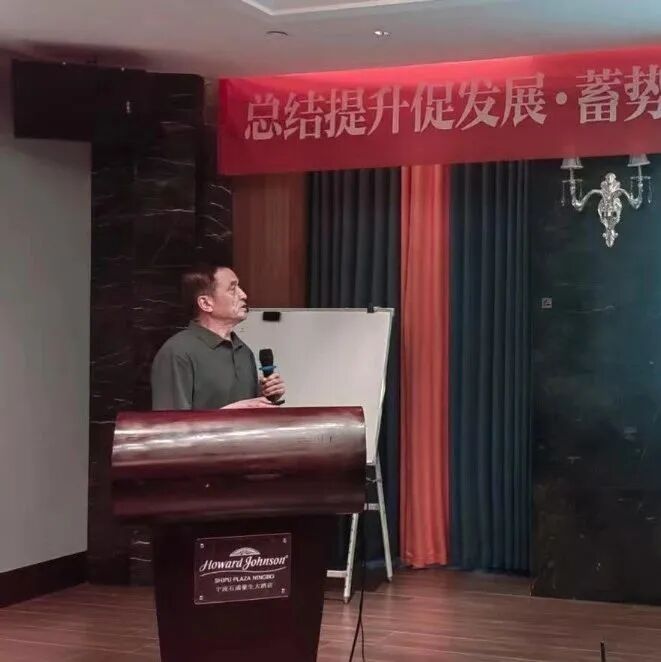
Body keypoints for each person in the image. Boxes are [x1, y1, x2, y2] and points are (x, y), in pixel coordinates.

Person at [151, 263, 285, 410]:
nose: (243, 295)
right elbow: (170, 421)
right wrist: (232, 412)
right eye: (232, 289)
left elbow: (246, 411)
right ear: (206, 303)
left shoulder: (244, 352)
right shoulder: (178, 352)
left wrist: (264, 396)